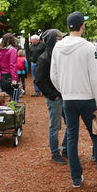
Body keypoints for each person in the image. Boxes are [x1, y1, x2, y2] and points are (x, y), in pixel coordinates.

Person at [51, 11, 97, 188]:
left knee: (72, 138)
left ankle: (76, 178)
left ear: (68, 27)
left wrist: (65, 90)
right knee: (96, 134)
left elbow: (54, 76)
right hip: (87, 98)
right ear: (82, 26)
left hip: (69, 99)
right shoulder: (88, 47)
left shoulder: (57, 47)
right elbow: (94, 77)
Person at [35, 29, 68, 165]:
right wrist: (53, 96)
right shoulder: (43, 58)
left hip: (64, 95)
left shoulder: (61, 55)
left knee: (71, 124)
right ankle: (55, 153)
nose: (61, 41)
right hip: (55, 97)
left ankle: (65, 149)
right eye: (58, 39)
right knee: (55, 126)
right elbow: (39, 81)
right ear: (51, 41)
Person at [0, 33, 19, 101]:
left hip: (2, 76)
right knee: (14, 99)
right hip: (10, 75)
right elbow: (13, 65)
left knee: (5, 100)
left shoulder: (1, 52)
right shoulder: (13, 50)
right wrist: (14, 78)